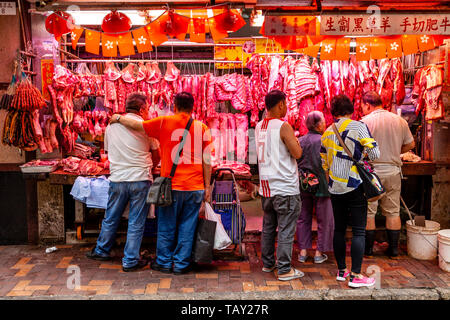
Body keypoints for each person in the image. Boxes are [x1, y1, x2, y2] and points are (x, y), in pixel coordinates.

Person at [110, 92, 212, 275]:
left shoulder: (164, 122)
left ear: (175, 106)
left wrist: (118, 118)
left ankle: (164, 262)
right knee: (188, 227)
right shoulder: (202, 128)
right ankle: (181, 264)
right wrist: (207, 187)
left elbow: (137, 124)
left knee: (166, 225)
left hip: (171, 187)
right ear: (193, 107)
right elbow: (207, 161)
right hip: (195, 186)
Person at [86, 93, 160, 272]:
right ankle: (130, 260)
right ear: (142, 109)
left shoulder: (111, 126)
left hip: (118, 178)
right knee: (136, 221)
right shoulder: (147, 127)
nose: (148, 111)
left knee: (111, 217)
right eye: (148, 108)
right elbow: (157, 154)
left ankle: (102, 249)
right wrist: (151, 165)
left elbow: (108, 150)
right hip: (140, 179)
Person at [320, 94, 380, 288]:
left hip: (335, 187)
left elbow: (324, 164)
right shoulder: (359, 126)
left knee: (339, 229)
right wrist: (362, 155)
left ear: (333, 112)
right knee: (358, 231)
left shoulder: (327, 132)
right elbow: (375, 153)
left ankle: (341, 271)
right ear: (351, 110)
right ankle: (355, 276)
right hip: (354, 184)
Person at [255, 90, 304, 281]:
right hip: (285, 187)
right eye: (286, 104)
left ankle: (268, 264)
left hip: (267, 188)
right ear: (281, 104)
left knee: (269, 226)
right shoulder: (284, 126)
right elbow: (297, 153)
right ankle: (284, 269)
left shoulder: (259, 126)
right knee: (285, 228)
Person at [361, 91, 415, 258]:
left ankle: (368, 251)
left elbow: (358, 149)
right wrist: (395, 150)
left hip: (372, 173)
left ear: (367, 105)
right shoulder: (399, 120)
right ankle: (393, 251)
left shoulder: (364, 122)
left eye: (363, 107)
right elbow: (410, 144)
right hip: (392, 171)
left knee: (369, 211)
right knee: (392, 212)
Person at [296, 111, 334, 264]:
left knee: (303, 218)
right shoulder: (325, 140)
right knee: (324, 219)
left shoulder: (300, 140)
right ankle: (319, 252)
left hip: (304, 184)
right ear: (319, 125)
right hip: (323, 186)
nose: (325, 123)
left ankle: (303, 252)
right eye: (324, 120)